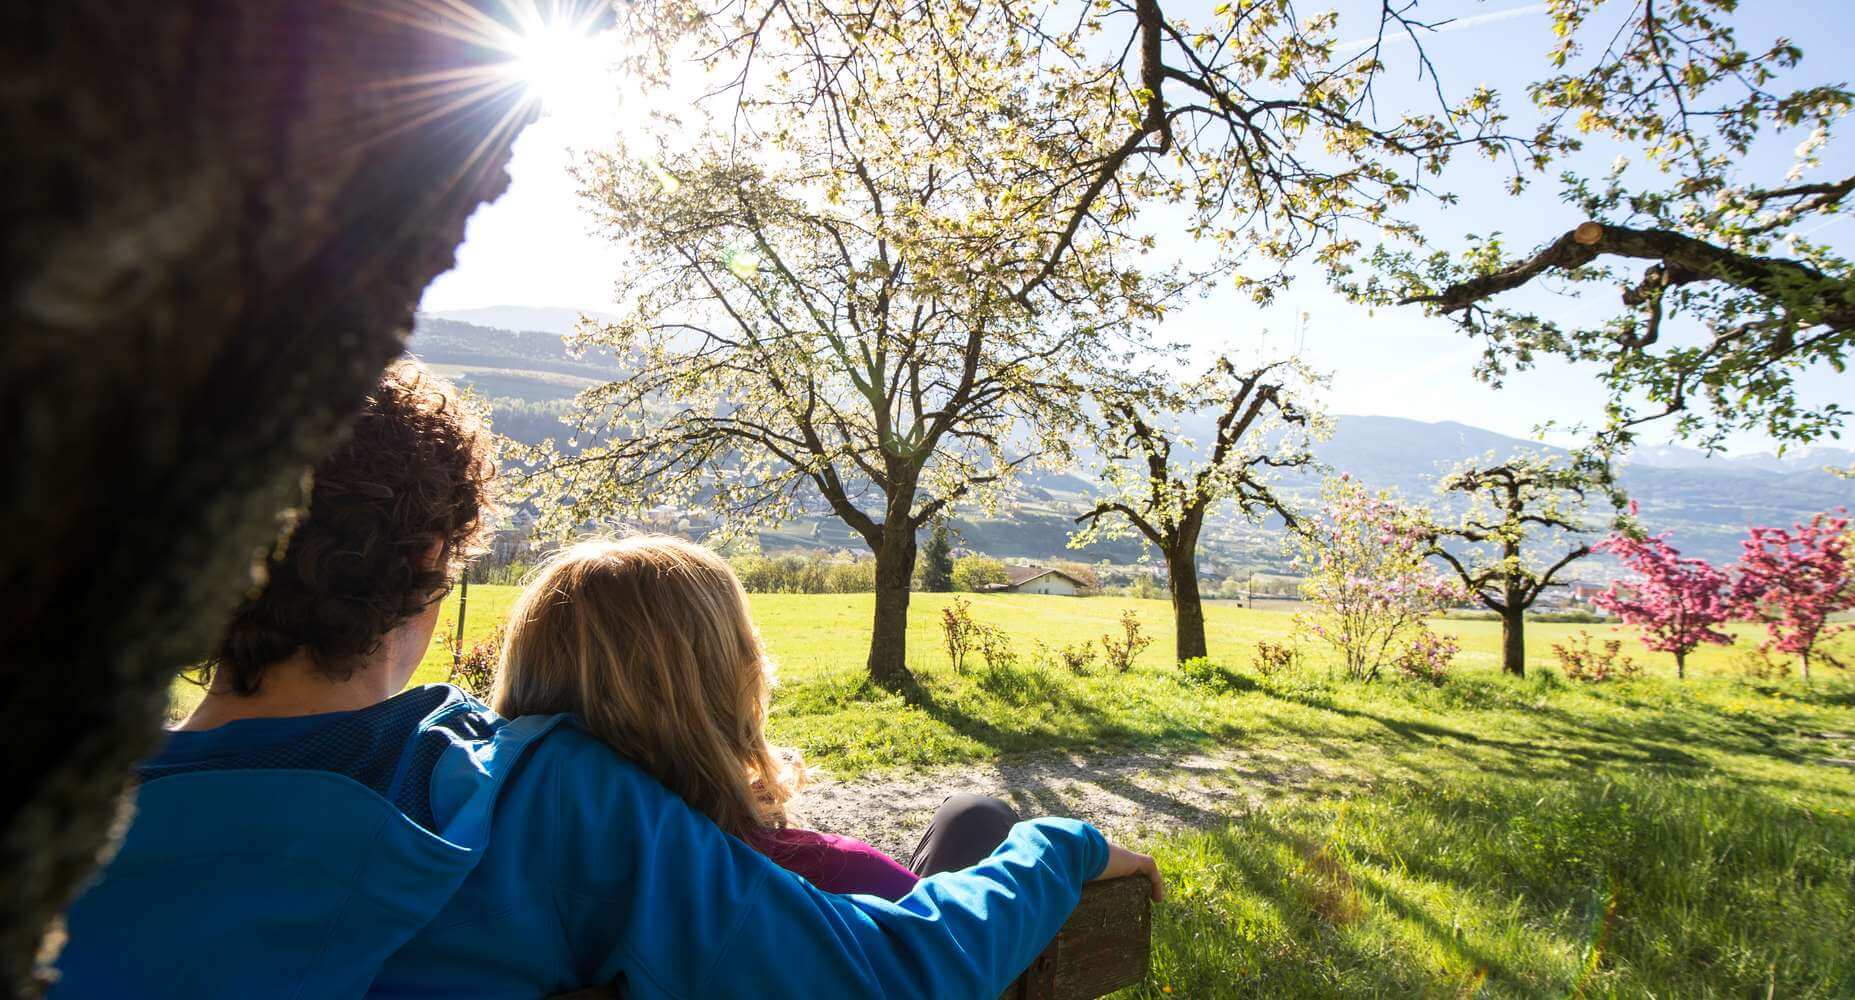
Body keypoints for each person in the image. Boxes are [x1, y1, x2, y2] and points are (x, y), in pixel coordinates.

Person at [51, 361, 1162, 999]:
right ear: (437, 580)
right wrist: (1052, 843)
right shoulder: (540, 801)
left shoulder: (54, 835)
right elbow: (896, 977)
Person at [492, 536, 1020, 899]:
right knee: (977, 818)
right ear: (731, 679)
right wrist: (1064, 851)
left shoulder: (479, 874)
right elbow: (943, 943)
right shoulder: (824, 876)